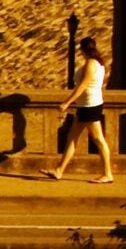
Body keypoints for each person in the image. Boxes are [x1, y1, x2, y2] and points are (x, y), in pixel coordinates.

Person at [48, 35, 117, 182]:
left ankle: (107, 174)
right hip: (86, 105)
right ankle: (59, 170)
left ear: (82, 49)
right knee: (72, 138)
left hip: (90, 105)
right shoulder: (98, 63)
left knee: (98, 139)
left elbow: (82, 86)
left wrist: (67, 102)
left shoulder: (91, 64)